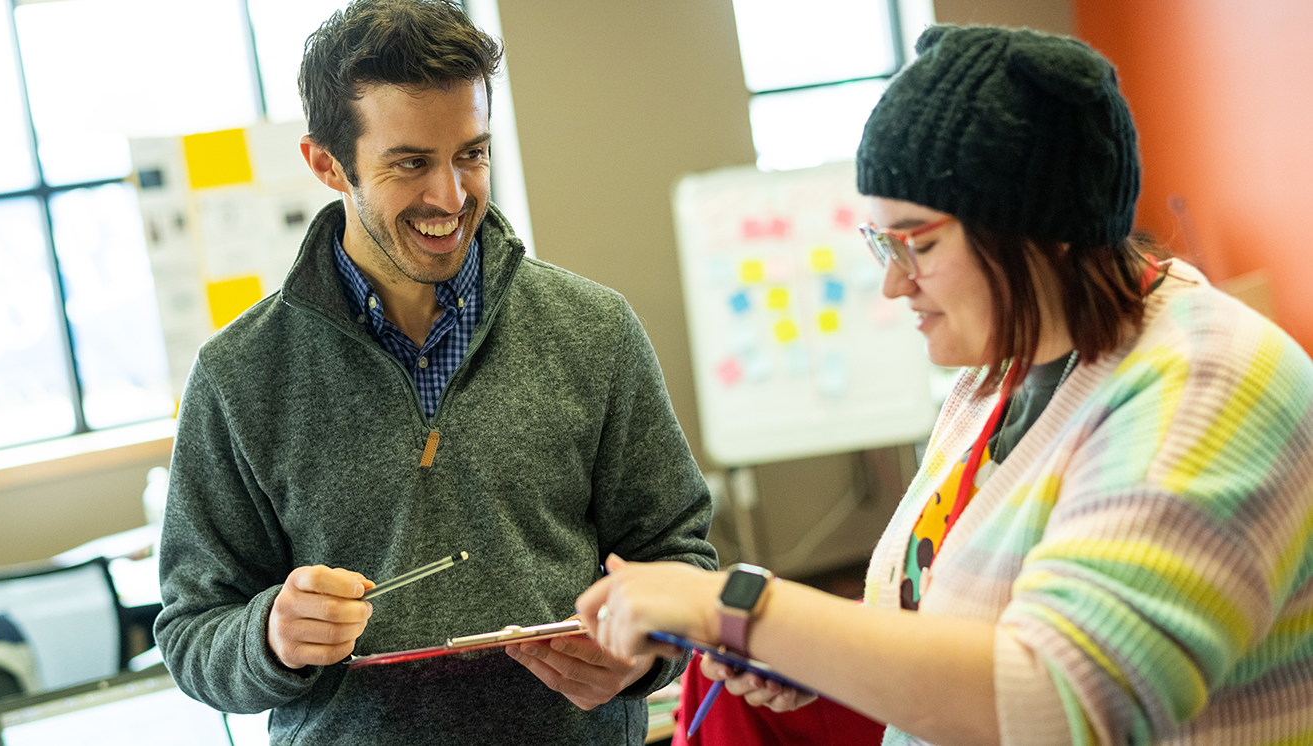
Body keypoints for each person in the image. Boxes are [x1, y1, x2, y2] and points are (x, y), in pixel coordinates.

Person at [578, 24, 1313, 746]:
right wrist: (812, 661)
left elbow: (1061, 703)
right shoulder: (1006, 365)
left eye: (918, 243)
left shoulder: (1203, 388)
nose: (894, 284)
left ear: (1043, 228)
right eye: (880, 243)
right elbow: (941, 621)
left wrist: (736, 607)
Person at [153, 1, 716, 743]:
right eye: (411, 163)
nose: (450, 198)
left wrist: (646, 656)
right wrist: (268, 636)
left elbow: (680, 556)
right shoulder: (239, 376)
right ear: (327, 164)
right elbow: (193, 630)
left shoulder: (595, 329)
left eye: (471, 154)